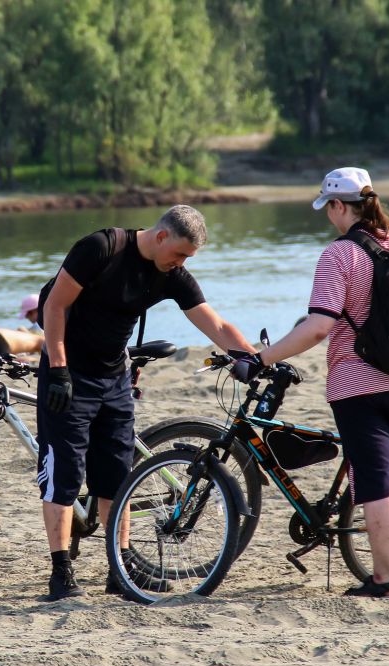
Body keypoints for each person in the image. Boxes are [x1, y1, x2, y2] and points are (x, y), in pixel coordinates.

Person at [231, 167, 389, 598]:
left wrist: (263, 357)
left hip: (360, 386)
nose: (328, 218)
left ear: (339, 206)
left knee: (377, 481)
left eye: (328, 209)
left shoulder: (340, 255)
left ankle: (384, 579)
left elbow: (318, 327)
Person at [37, 205, 255, 602]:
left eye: (188, 258)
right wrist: (59, 369)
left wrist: (252, 358)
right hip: (69, 373)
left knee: (117, 477)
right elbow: (53, 306)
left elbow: (216, 325)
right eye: (180, 253)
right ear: (161, 236)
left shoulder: (170, 273)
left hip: (114, 378)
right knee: (64, 476)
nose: (181, 263)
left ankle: (118, 569)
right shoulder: (101, 248)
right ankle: (61, 572)